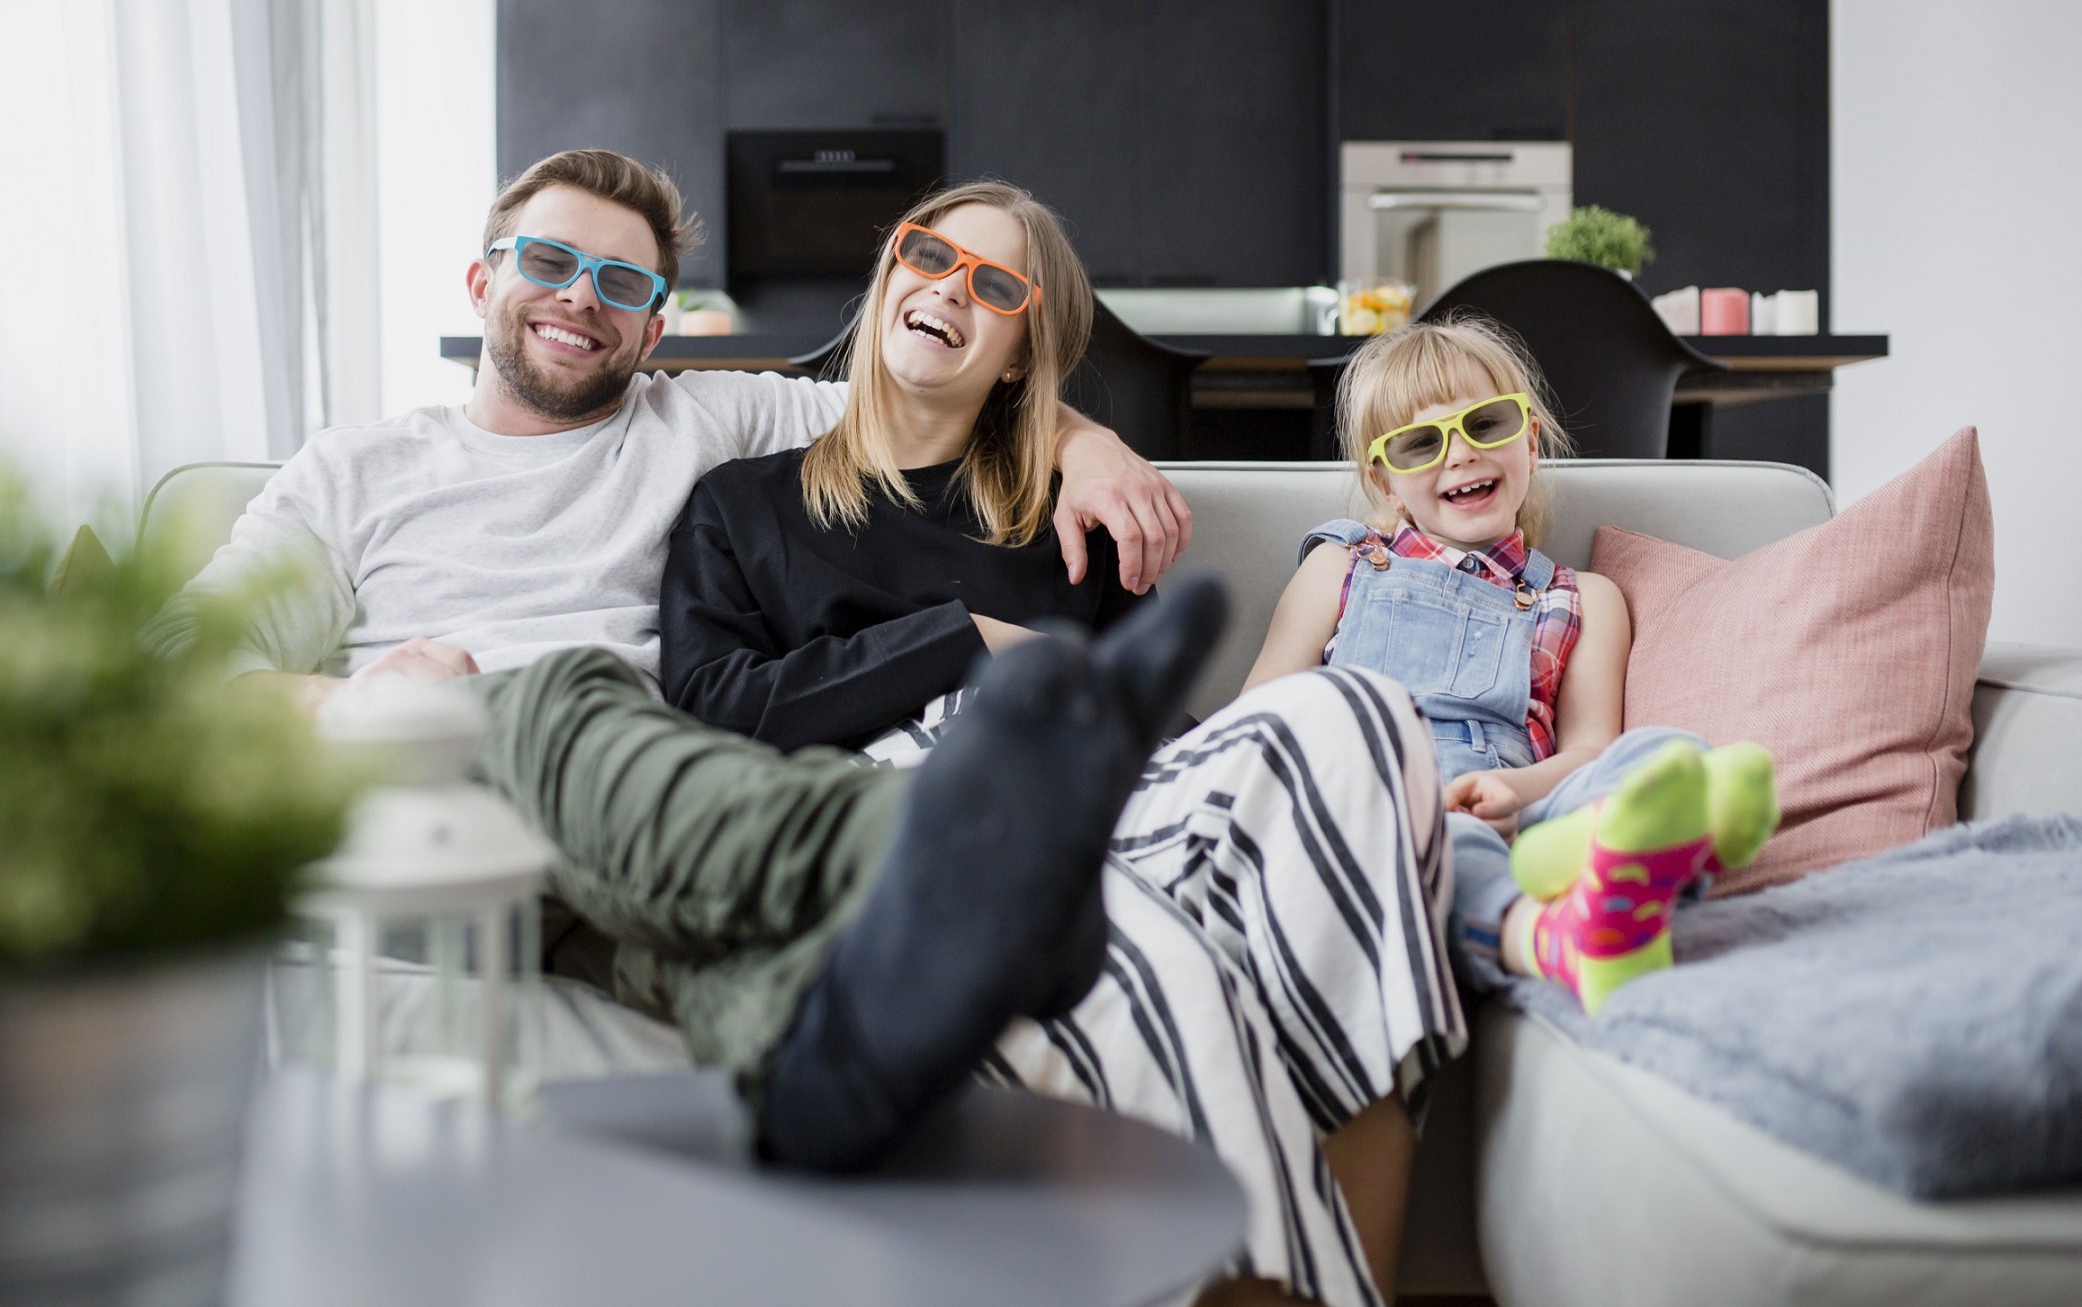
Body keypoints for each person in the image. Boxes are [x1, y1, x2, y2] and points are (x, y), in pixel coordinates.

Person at [660, 182, 1468, 1307]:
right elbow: (710, 703)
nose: (949, 287)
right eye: (929, 254)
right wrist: (963, 640)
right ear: (889, 269)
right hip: (905, 807)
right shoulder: (739, 505)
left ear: (1014, 355)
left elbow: (1140, 722)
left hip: (1100, 792)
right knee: (1151, 956)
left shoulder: (1070, 517)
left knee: (1362, 713)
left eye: (992, 285)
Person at [151, 148, 1190, 705]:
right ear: (481, 282)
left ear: (655, 326)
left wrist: (1086, 444)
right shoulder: (350, 473)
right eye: (548, 263)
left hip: (634, 781)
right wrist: (350, 711)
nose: (577, 300)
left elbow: (926, 391)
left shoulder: (710, 416)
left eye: (619, 282)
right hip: (418, 770)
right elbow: (179, 669)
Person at [1242, 314, 1782, 1014]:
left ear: (1527, 437)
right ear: (1383, 483)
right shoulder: (1340, 567)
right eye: (1418, 443)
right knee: (1451, 846)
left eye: (1484, 423)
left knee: (1661, 757)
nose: (1460, 455)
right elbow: (1258, 720)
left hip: (1528, 798)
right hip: (1386, 805)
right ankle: (1553, 932)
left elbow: (1590, 748)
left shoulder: (1584, 596)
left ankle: (1611, 846)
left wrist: (1514, 789)